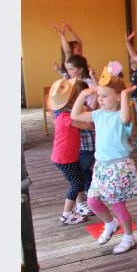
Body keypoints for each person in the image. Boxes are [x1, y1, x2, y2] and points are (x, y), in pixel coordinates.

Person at [71, 62, 137, 254]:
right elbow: (75, 114)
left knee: (118, 205)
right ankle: (110, 224)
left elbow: (126, 118)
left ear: (117, 97)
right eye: (99, 96)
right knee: (93, 201)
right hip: (102, 167)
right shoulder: (98, 115)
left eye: (104, 96)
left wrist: (123, 96)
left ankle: (129, 237)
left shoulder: (122, 116)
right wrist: (84, 94)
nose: (100, 100)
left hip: (119, 167)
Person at [48, 78, 92, 225]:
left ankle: (76, 208)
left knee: (78, 180)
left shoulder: (61, 115)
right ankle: (66, 214)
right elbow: (88, 126)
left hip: (66, 156)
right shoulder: (66, 117)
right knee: (76, 183)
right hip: (64, 158)